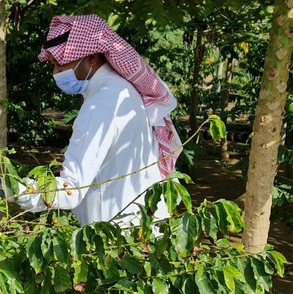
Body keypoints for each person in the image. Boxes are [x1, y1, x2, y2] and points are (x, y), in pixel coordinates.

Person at [11, 15, 181, 226]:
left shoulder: (101, 104)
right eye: (53, 65)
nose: (56, 73)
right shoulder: (121, 90)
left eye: (61, 64)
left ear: (91, 57)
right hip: (142, 226)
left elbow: (71, 190)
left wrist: (10, 187)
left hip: (114, 238)